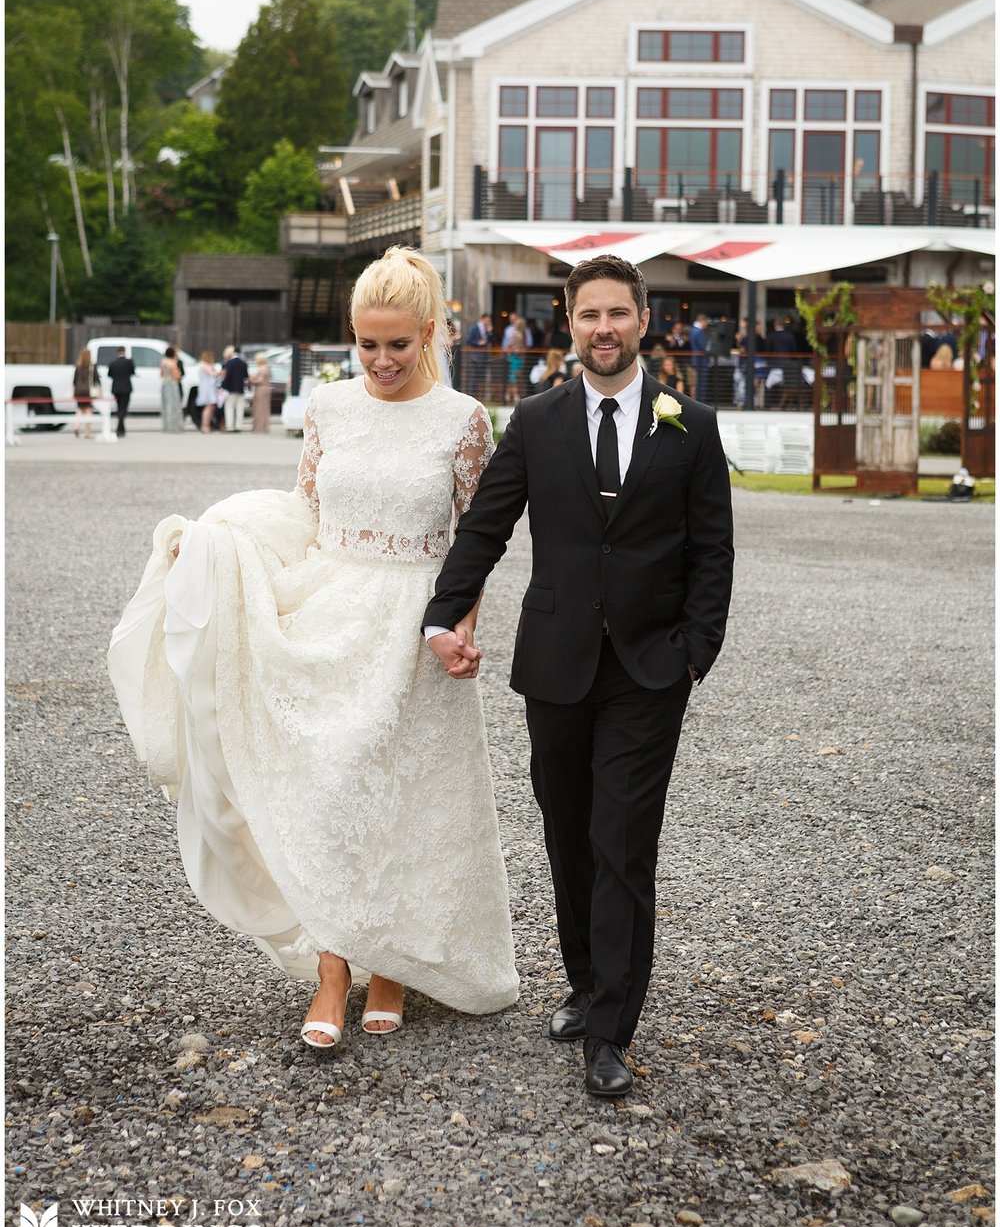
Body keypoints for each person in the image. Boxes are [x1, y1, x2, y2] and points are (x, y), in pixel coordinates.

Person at [108, 246, 518, 1056]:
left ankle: (394, 966)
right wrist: (220, 546)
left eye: (398, 343)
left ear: (429, 332)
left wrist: (461, 626)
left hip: (415, 622)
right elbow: (301, 509)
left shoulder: (464, 420)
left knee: (409, 795)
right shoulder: (328, 408)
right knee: (331, 793)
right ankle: (334, 967)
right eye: (367, 343)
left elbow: (476, 538)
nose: (382, 360)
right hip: (332, 612)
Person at [423, 254, 733, 1099]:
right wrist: (443, 614)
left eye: (618, 314)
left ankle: (610, 1030)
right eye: (588, 315)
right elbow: (485, 528)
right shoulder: (536, 419)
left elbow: (713, 551)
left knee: (622, 842)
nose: (604, 329)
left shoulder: (690, 425)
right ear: (570, 324)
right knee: (567, 833)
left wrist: (693, 652)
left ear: (643, 320)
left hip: (649, 668)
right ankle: (587, 979)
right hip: (554, 664)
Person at [106, 346, 135, 438]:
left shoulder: (113, 363)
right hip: (126, 388)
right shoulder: (129, 362)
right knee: (123, 408)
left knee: (119, 408)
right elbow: (132, 372)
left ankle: (120, 429)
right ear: (124, 351)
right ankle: (120, 428)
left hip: (116, 388)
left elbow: (109, 374)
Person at [73, 347, 100, 440]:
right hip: (88, 391)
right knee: (88, 410)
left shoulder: (78, 366)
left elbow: (74, 381)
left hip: (78, 391)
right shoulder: (92, 366)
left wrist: (73, 392)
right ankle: (87, 432)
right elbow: (97, 380)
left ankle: (76, 426)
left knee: (80, 409)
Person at [220, 345, 249, 432]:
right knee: (240, 408)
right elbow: (246, 376)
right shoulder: (243, 363)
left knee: (229, 407)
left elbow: (227, 377)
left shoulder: (229, 363)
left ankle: (230, 426)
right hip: (241, 388)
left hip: (231, 389)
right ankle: (239, 426)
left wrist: (223, 386)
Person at [465, 312, 493, 400]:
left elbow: (489, 341)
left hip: (484, 356)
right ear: (483, 319)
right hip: (476, 356)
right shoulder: (474, 328)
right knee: (475, 377)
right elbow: (468, 340)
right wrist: (478, 343)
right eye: (488, 320)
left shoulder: (487, 329)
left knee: (482, 377)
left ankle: (481, 396)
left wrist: (490, 333)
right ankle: (473, 396)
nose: (488, 322)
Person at [502, 312, 527, 405]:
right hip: (518, 358)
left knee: (513, 377)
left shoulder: (515, 334)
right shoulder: (522, 335)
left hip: (513, 357)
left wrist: (509, 352)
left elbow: (509, 345)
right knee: (514, 376)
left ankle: (511, 396)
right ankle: (511, 395)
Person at [159, 346, 184, 434]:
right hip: (172, 384)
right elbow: (176, 375)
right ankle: (174, 426)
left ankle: (166, 426)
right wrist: (179, 376)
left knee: (166, 405)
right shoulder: (173, 363)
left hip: (165, 383)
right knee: (174, 405)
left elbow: (161, 374)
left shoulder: (163, 362)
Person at [689, 312, 711, 401]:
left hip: (696, 359)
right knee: (701, 383)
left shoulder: (692, 330)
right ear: (702, 320)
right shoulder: (699, 332)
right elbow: (703, 346)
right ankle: (701, 401)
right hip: (701, 360)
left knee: (698, 382)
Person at [196, 351, 219, 434]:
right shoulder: (205, 366)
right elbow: (213, 374)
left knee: (211, 407)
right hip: (207, 389)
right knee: (208, 407)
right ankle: (205, 426)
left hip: (209, 388)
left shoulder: (206, 366)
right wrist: (220, 372)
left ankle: (207, 425)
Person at [248, 353, 272, 433]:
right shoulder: (266, 367)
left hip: (261, 389)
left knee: (259, 409)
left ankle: (259, 427)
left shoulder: (262, 368)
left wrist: (252, 380)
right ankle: (263, 427)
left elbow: (260, 380)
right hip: (265, 389)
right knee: (264, 409)